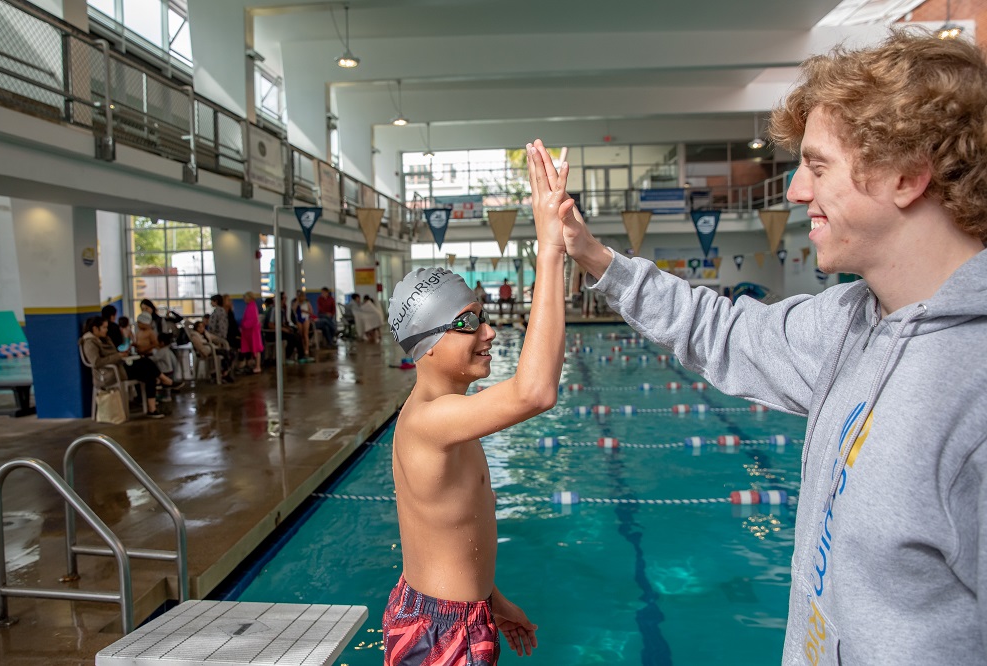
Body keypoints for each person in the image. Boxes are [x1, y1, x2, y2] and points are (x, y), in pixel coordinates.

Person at [553, 31, 987, 664]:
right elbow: (721, 330)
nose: (793, 192)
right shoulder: (848, 322)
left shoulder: (974, 394)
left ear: (907, 175)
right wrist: (593, 256)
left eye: (817, 166)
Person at [382, 139, 570, 665]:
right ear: (429, 343)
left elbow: (450, 533)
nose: (489, 331)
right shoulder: (431, 421)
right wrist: (549, 249)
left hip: (457, 615)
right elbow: (536, 391)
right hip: (439, 633)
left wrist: (491, 600)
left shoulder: (454, 414)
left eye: (483, 316)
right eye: (469, 322)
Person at [79, 316, 169, 418]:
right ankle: (164, 381)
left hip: (119, 367)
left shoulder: (104, 339)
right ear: (95, 329)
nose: (106, 330)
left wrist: (121, 355)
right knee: (146, 364)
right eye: (104, 327)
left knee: (147, 370)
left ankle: (153, 407)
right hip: (110, 373)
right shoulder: (90, 342)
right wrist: (118, 356)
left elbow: (112, 354)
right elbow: (96, 362)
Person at [239, 291, 263, 373]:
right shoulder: (251, 306)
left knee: (256, 349)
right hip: (251, 332)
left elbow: (252, 320)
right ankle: (256, 365)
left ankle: (258, 366)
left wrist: (244, 325)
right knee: (255, 349)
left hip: (252, 332)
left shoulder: (251, 307)